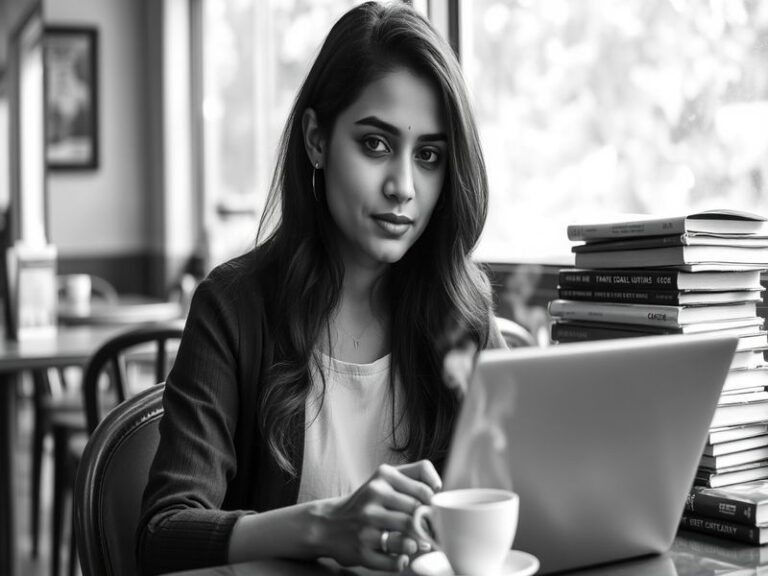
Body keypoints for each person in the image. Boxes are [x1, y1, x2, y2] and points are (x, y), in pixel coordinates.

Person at [137, 2, 505, 574]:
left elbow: (517, 505)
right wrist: (322, 527)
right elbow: (161, 535)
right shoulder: (233, 309)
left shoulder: (463, 316)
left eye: (428, 156)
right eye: (376, 145)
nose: (403, 187)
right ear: (316, 139)